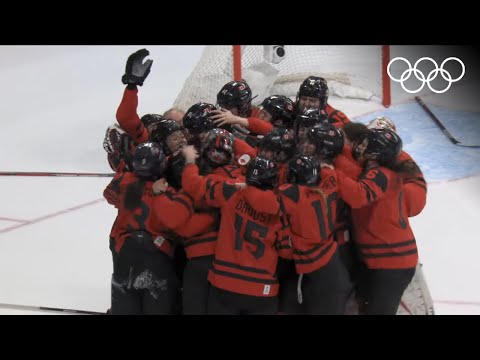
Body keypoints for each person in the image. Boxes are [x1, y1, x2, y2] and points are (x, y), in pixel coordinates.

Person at [182, 154, 287, 315]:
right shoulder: (282, 207)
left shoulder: (230, 190)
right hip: (262, 288)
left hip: (225, 283)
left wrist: (190, 162)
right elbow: (286, 250)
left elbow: (193, 186)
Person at [329, 129, 418, 315]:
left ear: (375, 153)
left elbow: (357, 195)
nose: (359, 147)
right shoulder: (378, 172)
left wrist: (328, 171)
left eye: (365, 144)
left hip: (391, 263)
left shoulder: (381, 174)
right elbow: (352, 172)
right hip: (387, 261)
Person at [278, 155, 351, 314]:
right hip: (331, 264)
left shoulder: (292, 194)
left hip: (320, 271)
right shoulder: (327, 185)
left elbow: (263, 199)